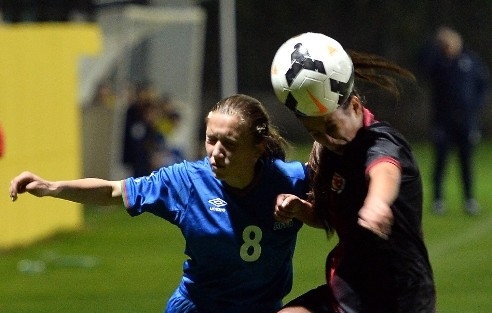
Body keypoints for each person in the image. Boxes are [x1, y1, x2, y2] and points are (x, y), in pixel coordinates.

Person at [9, 94, 311, 313]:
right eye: (210, 140)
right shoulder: (185, 182)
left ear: (258, 147)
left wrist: (306, 210)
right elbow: (114, 191)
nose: (216, 152)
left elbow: (337, 210)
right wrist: (52, 187)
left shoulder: (293, 180)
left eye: (229, 143)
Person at [273, 36, 436, 312]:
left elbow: (384, 170)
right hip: (350, 289)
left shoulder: (381, 141)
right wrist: (302, 210)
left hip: (398, 298)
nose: (327, 139)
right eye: (315, 133)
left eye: (331, 127)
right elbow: (334, 219)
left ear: (357, 107)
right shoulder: (329, 156)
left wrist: (378, 202)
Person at [420, 26, 489, 216]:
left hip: (466, 120)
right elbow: (424, 67)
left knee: (466, 161)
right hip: (443, 121)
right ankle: (438, 199)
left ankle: (469, 199)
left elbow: (482, 84)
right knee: (440, 160)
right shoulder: (438, 63)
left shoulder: (470, 61)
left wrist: (475, 106)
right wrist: (435, 47)